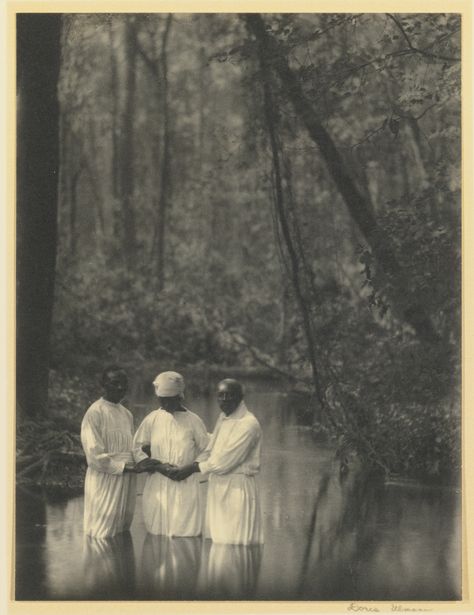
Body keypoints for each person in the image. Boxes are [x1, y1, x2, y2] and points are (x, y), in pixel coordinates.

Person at [170, 379, 264, 545]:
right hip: (218, 486)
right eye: (221, 396)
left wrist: (192, 468)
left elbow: (224, 462)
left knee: (234, 543)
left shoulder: (248, 424)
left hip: (237, 488)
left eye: (230, 395)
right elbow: (210, 449)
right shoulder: (224, 418)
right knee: (218, 543)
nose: (225, 399)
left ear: (241, 397)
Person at [132, 371, 209, 537]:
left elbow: (207, 451)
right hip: (157, 486)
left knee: (185, 537)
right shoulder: (152, 419)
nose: (165, 405)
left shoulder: (194, 421)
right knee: (156, 536)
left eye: (170, 400)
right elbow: (136, 447)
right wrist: (158, 466)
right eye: (162, 400)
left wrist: (190, 468)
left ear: (180, 397)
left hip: (185, 485)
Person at [81, 366, 147, 539]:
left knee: (121, 529)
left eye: (123, 383)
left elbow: (132, 447)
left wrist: (145, 461)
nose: (120, 388)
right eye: (114, 383)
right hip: (105, 478)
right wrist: (125, 468)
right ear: (103, 385)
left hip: (126, 479)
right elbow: (94, 455)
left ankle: (120, 564)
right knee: (101, 532)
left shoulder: (127, 414)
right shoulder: (95, 412)